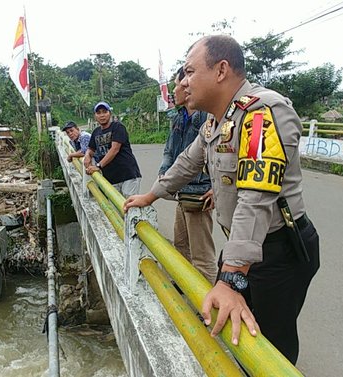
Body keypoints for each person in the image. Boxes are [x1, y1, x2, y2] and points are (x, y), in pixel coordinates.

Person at [124, 35, 320, 364]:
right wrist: (150, 196)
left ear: (221, 70)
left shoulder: (262, 112)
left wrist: (231, 277)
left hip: (279, 251)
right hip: (244, 251)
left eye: (189, 71)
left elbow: (256, 198)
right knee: (229, 326)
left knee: (271, 344)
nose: (184, 83)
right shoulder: (219, 120)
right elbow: (187, 162)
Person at [159, 67, 217, 284]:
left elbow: (217, 155)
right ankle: (185, 283)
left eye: (178, 84)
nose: (175, 90)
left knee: (202, 255)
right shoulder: (178, 117)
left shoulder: (207, 118)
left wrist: (216, 188)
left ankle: (207, 307)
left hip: (200, 193)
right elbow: (170, 151)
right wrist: (163, 173)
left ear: (189, 85)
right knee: (181, 242)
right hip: (182, 191)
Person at [84, 101, 142, 197]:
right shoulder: (96, 132)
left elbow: (114, 149)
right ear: (95, 116)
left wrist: (98, 166)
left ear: (110, 114)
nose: (102, 115)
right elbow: (91, 149)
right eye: (98, 113)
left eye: (104, 112)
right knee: (115, 209)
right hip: (111, 178)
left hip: (127, 175)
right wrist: (87, 155)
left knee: (130, 206)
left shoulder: (118, 127)